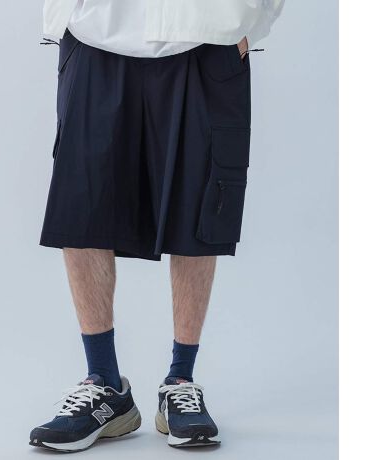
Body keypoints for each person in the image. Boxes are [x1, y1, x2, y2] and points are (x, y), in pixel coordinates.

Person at [30, 0, 284, 452]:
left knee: (199, 208)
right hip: (94, 32)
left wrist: (254, 23)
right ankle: (105, 383)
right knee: (82, 208)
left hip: (206, 35)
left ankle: (180, 381)